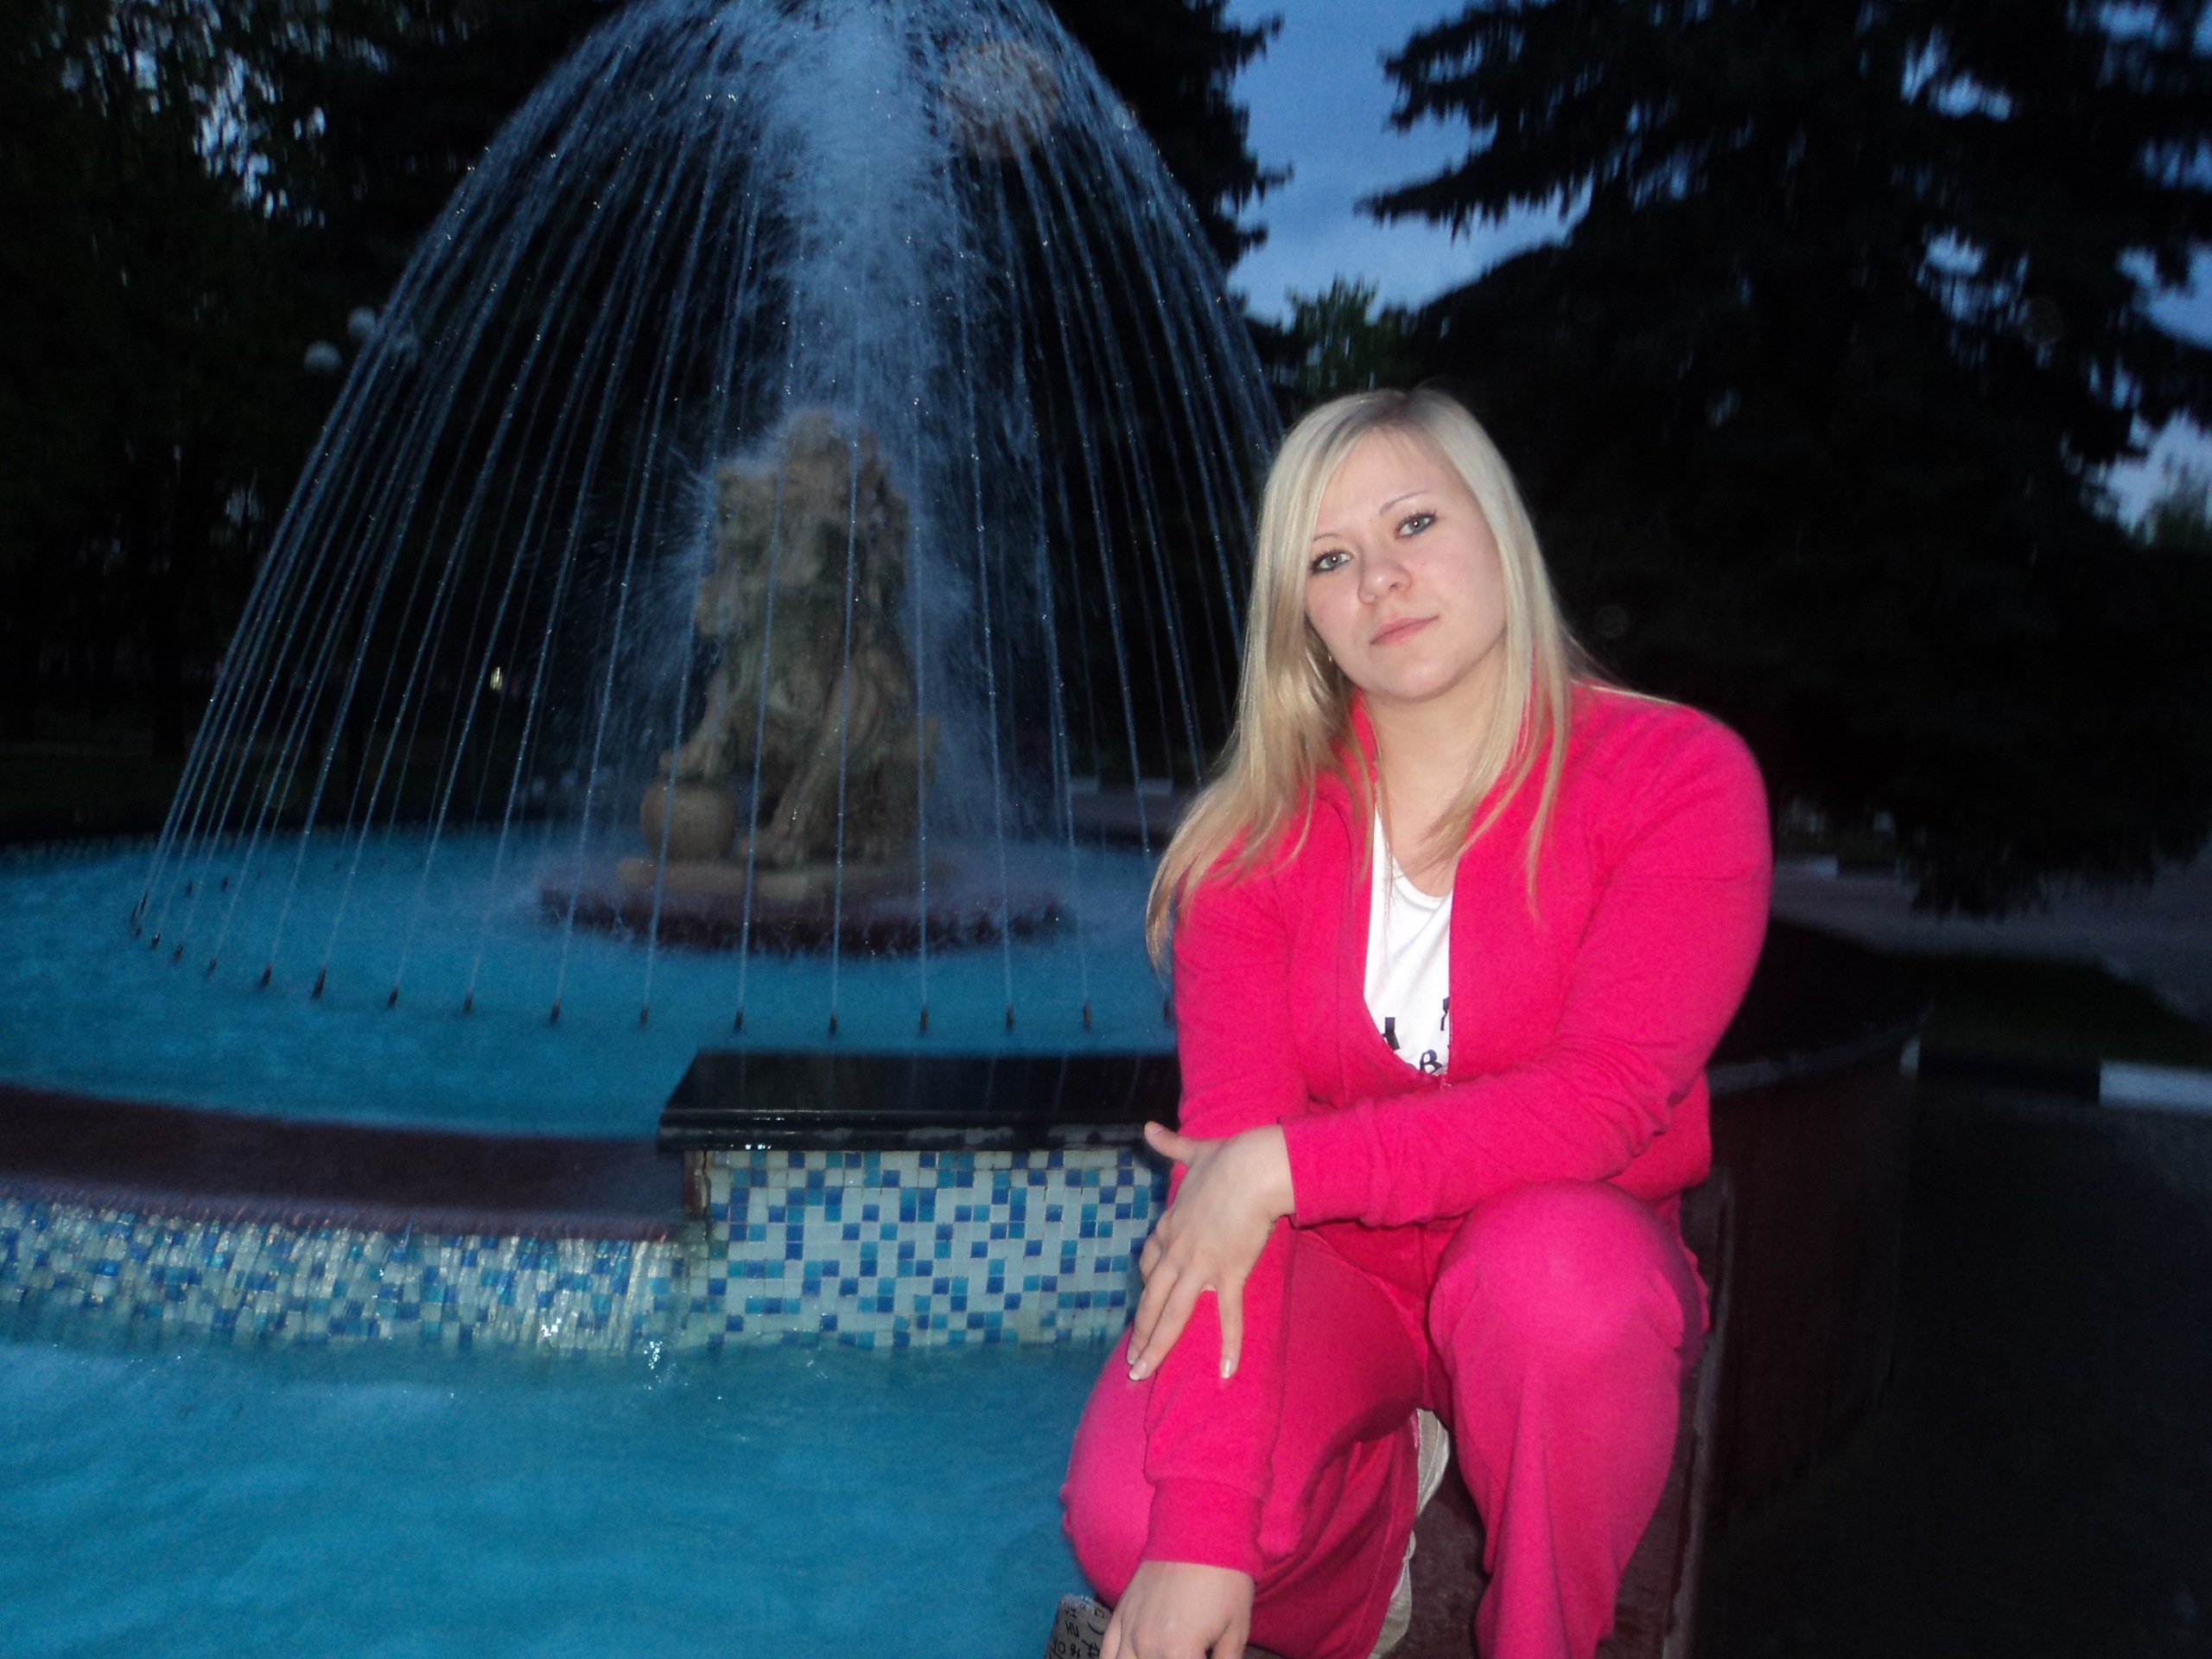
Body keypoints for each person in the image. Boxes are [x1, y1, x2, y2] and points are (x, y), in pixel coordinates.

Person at [1059, 388, 1771, 1659]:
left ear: (1498, 528)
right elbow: (1226, 1207)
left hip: (1556, 1259)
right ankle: (1373, 1536)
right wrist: (1204, 1531)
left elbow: (1600, 1101)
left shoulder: (1674, 780)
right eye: (1330, 559)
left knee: (1558, 1283)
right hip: (1341, 1271)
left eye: (1415, 523)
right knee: (1136, 1525)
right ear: (1305, 617)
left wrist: (1279, 1166)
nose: (1379, 580)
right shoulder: (1250, 849)